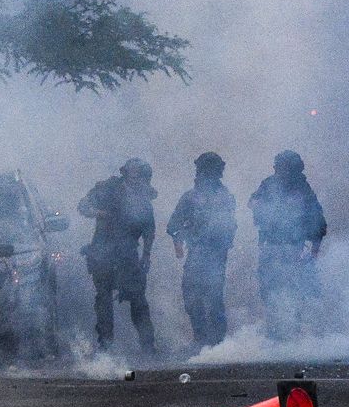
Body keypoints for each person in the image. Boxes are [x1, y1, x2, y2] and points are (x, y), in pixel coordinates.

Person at [78, 158, 158, 355]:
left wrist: (146, 254)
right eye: (136, 174)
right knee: (104, 299)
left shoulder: (143, 195)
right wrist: (100, 213)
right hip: (102, 253)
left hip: (128, 254)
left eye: (143, 176)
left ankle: (147, 346)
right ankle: (106, 345)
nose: (139, 179)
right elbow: (83, 206)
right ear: (126, 173)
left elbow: (149, 228)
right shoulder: (107, 189)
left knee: (138, 299)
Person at [249, 150, 327, 340]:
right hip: (274, 247)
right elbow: (252, 202)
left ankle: (291, 333)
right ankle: (278, 332)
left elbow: (317, 221)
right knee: (271, 290)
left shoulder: (301, 188)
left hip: (291, 248)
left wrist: (313, 249)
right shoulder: (271, 184)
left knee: (293, 290)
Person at [166, 152, 238, 351]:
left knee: (214, 297)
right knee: (191, 296)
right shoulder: (189, 197)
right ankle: (200, 338)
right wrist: (179, 244)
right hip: (196, 253)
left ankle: (217, 342)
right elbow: (173, 225)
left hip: (215, 255)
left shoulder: (225, 197)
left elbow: (230, 227)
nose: (208, 175)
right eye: (205, 170)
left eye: (212, 171)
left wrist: (221, 246)